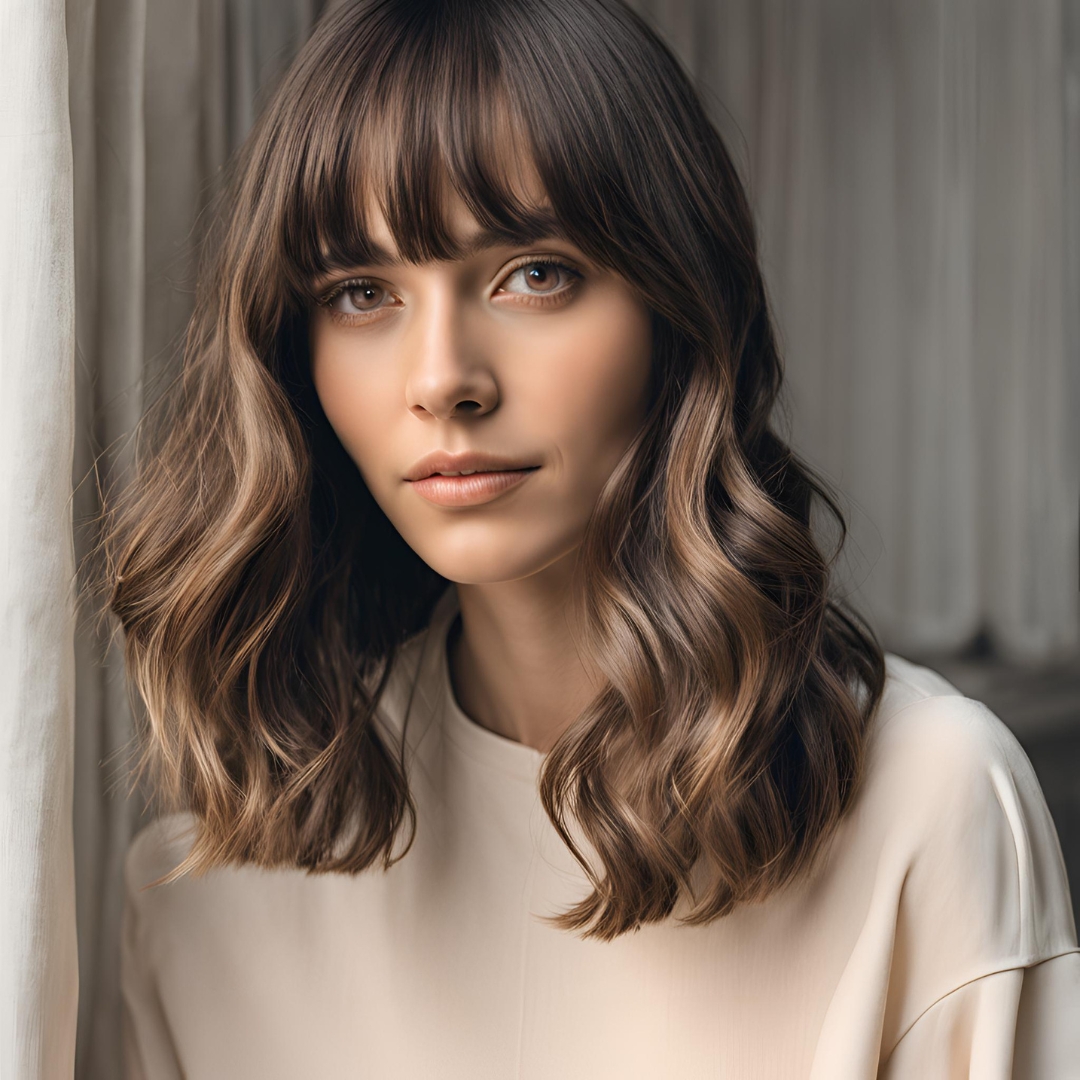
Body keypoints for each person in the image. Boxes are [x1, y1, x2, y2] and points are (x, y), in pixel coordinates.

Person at [105, 0, 1080, 1076]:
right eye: (363, 291)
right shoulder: (212, 900)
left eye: (534, 273)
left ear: (679, 303)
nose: (442, 380)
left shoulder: (928, 811)